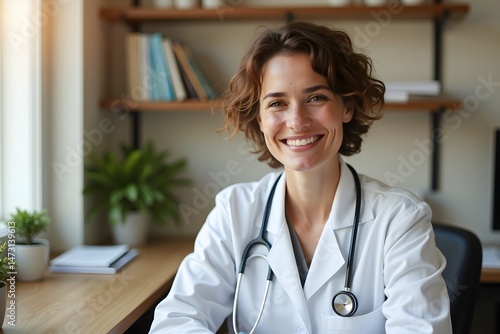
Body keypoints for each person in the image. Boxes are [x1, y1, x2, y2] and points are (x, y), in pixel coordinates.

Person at [149, 21, 451, 333]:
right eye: (277, 103)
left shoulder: (398, 219)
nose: (297, 121)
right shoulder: (234, 212)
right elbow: (178, 320)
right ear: (261, 118)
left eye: (316, 98)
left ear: (346, 106)